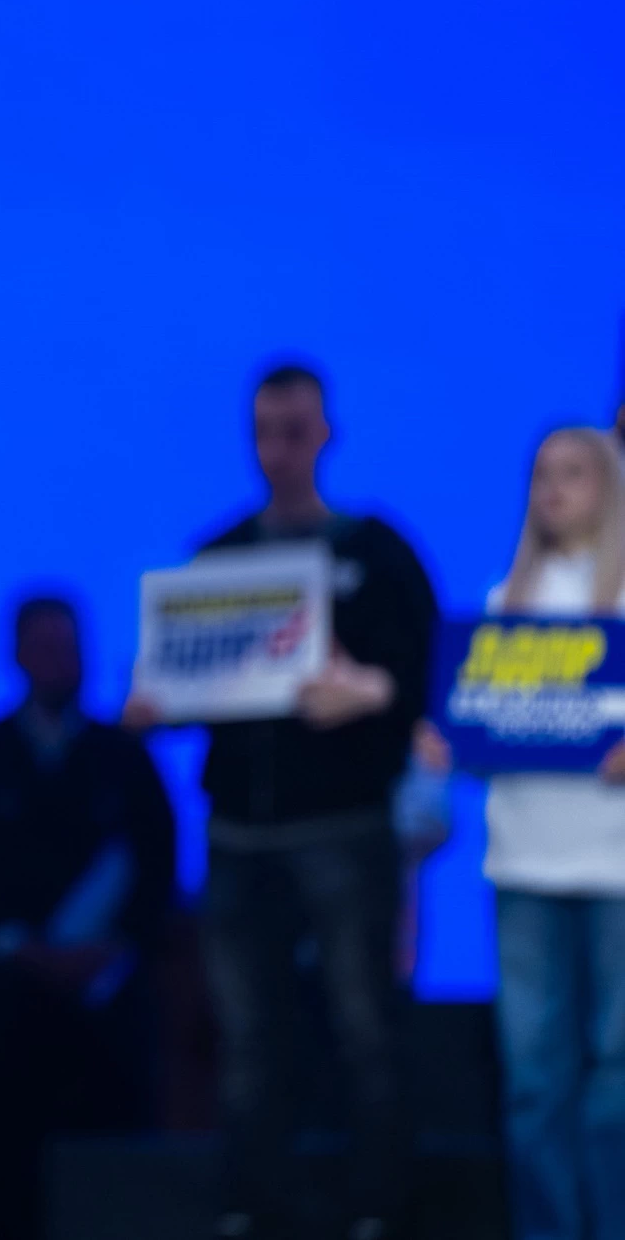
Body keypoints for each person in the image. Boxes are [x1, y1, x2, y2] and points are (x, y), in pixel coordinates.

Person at [125, 364, 438, 1240]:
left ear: (326, 433)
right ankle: (252, 1207)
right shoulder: (220, 557)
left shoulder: (376, 552)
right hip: (242, 833)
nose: (280, 448)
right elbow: (174, 677)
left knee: (364, 1029)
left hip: (345, 824)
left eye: (296, 429)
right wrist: (151, 704)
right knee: (250, 1039)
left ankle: (378, 1208)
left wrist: (371, 689)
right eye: (265, 430)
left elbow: (426, 672)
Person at [418, 427, 625, 1240]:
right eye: (542, 473)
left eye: (573, 472)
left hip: (616, 867)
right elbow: (486, 735)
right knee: (535, 1080)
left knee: (616, 1077)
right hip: (524, 864)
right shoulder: (504, 604)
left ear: (610, 485)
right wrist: (448, 743)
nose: (554, 488)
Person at [0, 596, 177, 1238]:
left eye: (69, 647)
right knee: (4, 1175)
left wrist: (114, 950)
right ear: (17, 656)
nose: (61, 662)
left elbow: (159, 863)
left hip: (108, 1008)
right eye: (45, 647)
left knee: (114, 1180)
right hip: (6, 1008)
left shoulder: (124, 759)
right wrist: (21, 948)